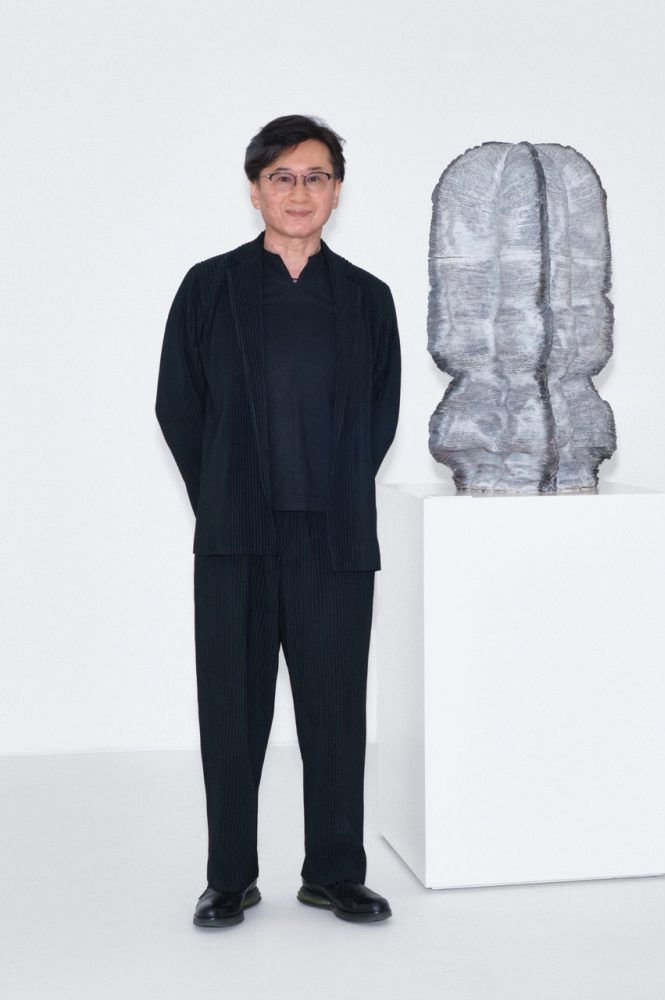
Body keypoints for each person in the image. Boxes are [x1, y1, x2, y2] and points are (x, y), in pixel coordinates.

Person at [155, 114, 401, 927]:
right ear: (256, 189)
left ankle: (334, 872)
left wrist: (335, 488)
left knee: (335, 713)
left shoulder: (367, 298)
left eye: (316, 176)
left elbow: (381, 414)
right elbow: (177, 404)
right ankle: (229, 877)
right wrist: (223, 494)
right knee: (231, 712)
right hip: (237, 538)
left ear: (337, 190)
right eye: (283, 177)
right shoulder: (209, 288)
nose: (300, 192)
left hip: (333, 538)